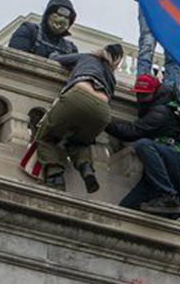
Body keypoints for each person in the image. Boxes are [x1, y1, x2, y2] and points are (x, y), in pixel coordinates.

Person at [31, 42, 123, 192]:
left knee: (47, 137)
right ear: (117, 61)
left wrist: (53, 54)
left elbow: (60, 59)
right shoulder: (112, 78)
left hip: (77, 97)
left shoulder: (87, 57)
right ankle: (86, 168)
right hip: (102, 111)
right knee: (79, 143)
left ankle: (55, 177)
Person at [110, 74, 180, 220]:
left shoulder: (160, 112)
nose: (140, 99)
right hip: (161, 174)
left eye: (144, 95)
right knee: (126, 209)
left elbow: (131, 132)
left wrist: (104, 120)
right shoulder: (155, 109)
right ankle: (179, 206)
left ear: (155, 91)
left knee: (143, 144)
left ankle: (169, 196)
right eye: (139, 94)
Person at [9, 0, 79, 63]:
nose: (62, 19)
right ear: (48, 15)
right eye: (59, 15)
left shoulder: (71, 49)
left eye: (67, 18)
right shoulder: (30, 31)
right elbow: (14, 59)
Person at [136, 4, 180, 93]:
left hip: (169, 4)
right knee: (148, 46)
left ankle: (169, 90)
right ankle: (144, 84)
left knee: (148, 46)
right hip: (154, 2)